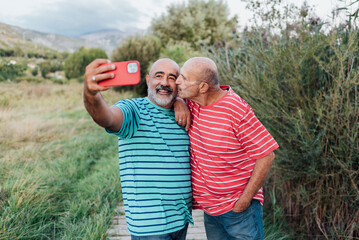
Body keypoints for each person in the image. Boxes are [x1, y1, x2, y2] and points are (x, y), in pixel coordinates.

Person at [83, 58, 193, 239]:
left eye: (172, 77)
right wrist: (90, 94)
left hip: (181, 220)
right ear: (148, 80)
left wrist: (179, 100)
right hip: (150, 226)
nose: (165, 82)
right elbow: (107, 117)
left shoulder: (184, 112)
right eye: (159, 76)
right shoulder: (134, 110)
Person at [175, 57, 279, 240]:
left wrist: (245, 200)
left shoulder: (235, 110)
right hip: (211, 210)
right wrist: (178, 103)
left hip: (239, 210)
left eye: (183, 78)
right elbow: (168, 93)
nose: (177, 81)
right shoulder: (193, 102)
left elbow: (267, 155)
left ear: (203, 87)